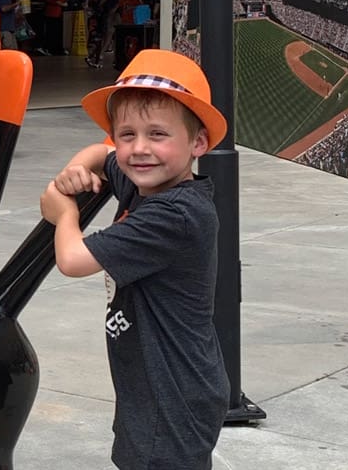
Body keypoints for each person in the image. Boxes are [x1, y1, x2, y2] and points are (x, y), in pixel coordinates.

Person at [39, 49, 230, 470]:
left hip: (173, 397)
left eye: (158, 134)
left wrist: (64, 210)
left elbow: (72, 259)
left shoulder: (176, 214)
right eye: (127, 134)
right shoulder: (152, 184)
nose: (139, 149)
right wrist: (74, 172)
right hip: (151, 386)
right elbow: (97, 151)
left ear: (198, 142)